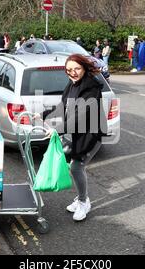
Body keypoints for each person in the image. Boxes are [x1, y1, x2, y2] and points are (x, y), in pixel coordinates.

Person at [35, 54, 107, 222]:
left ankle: (83, 202)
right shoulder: (72, 83)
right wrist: (44, 114)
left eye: (77, 69)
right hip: (76, 133)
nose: (73, 73)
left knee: (76, 166)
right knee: (74, 166)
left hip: (90, 135)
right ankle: (81, 198)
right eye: (69, 70)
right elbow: (63, 106)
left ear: (84, 68)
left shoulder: (91, 89)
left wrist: (57, 130)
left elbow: (79, 117)